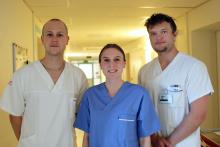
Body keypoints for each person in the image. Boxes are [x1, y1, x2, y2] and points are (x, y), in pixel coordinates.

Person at [0, 18, 87, 147]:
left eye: (60, 34)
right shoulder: (23, 75)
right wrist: (26, 141)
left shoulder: (78, 76)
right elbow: (15, 116)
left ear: (67, 40)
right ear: (42, 39)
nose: (54, 39)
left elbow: (82, 112)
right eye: (49, 34)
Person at [138, 13, 214, 147]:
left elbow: (198, 115)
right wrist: (154, 139)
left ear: (174, 34)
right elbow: (144, 111)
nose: (159, 37)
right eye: (153, 33)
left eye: (164, 32)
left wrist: (168, 143)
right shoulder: (144, 72)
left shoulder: (194, 67)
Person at [74, 43, 160, 147]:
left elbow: (145, 138)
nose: (111, 65)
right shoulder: (90, 95)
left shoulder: (139, 94)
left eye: (117, 59)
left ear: (124, 63)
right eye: (106, 60)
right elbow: (86, 137)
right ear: (100, 64)